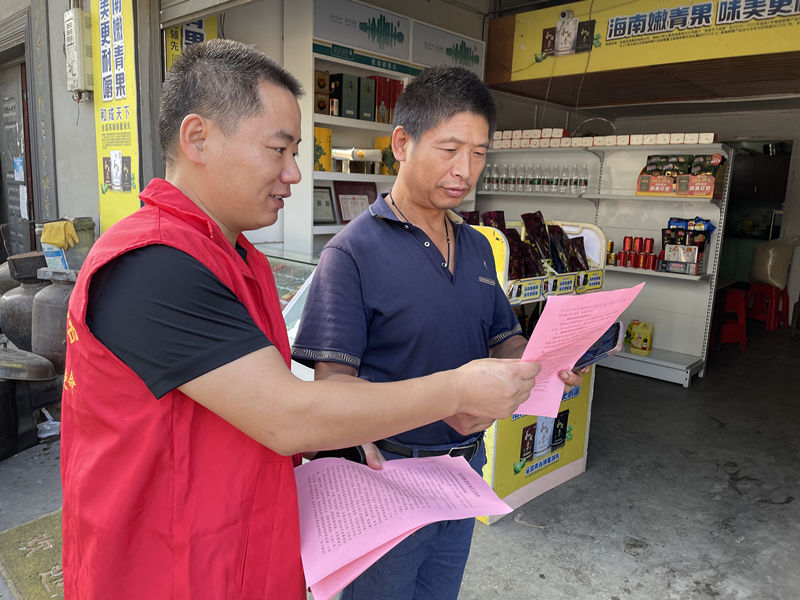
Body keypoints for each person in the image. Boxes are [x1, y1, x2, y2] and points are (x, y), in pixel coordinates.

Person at [60, 41, 541, 600]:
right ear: (197, 139)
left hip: (238, 544)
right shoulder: (154, 264)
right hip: (166, 568)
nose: (293, 172)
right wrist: (456, 390)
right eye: (278, 149)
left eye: (295, 152)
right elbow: (287, 414)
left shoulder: (238, 258)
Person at [291, 65, 584, 600]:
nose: (464, 170)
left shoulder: (476, 245)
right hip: (387, 477)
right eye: (449, 149)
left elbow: (502, 337)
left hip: (464, 468)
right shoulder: (352, 253)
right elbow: (333, 384)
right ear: (402, 143)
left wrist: (544, 359)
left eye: (478, 153)